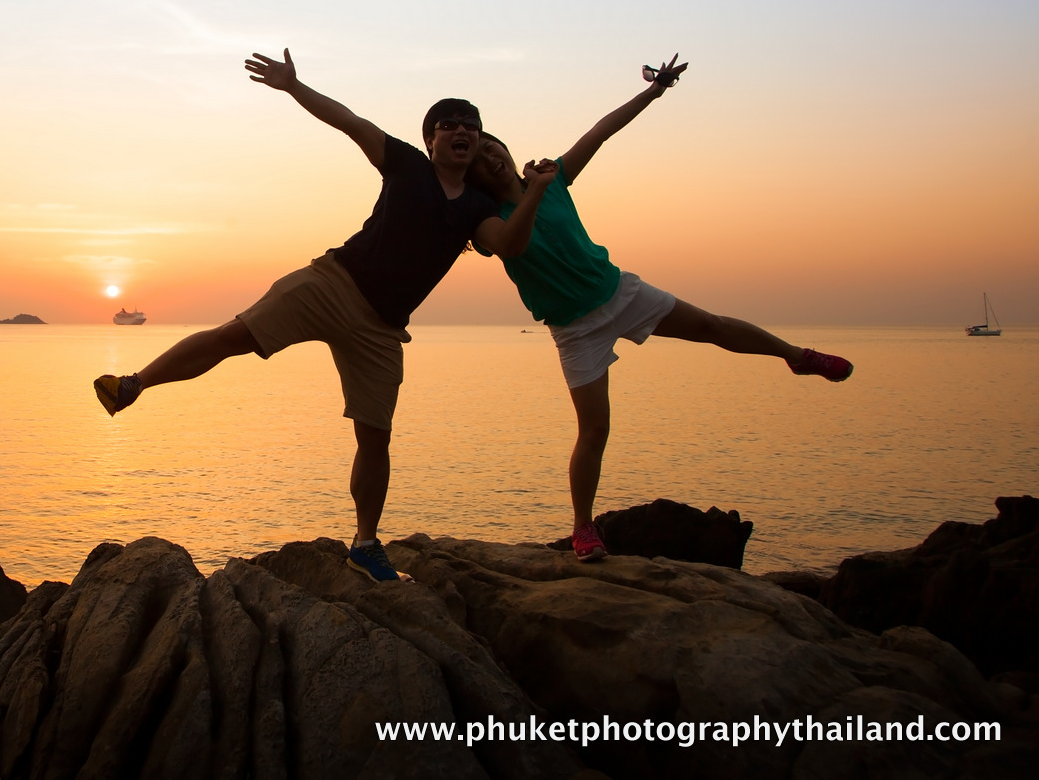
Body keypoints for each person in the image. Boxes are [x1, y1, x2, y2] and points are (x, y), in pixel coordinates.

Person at [93, 48, 556, 582]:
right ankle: (133, 384)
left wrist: (537, 192)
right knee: (234, 336)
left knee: (375, 436)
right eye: (448, 124)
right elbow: (349, 121)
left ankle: (364, 542)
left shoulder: (477, 209)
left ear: (476, 142)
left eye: (470, 127)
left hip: (382, 327)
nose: (461, 131)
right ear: (431, 139)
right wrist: (294, 86)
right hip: (333, 283)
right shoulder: (406, 164)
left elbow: (511, 246)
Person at [467, 56, 854, 562]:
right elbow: (514, 245)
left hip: (618, 293)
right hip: (574, 329)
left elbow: (600, 133)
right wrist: (534, 190)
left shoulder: (554, 177)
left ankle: (798, 356)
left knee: (712, 325)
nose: (490, 159)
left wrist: (653, 93)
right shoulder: (484, 220)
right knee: (595, 429)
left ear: (504, 147)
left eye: (492, 147)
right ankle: (584, 529)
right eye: (478, 159)